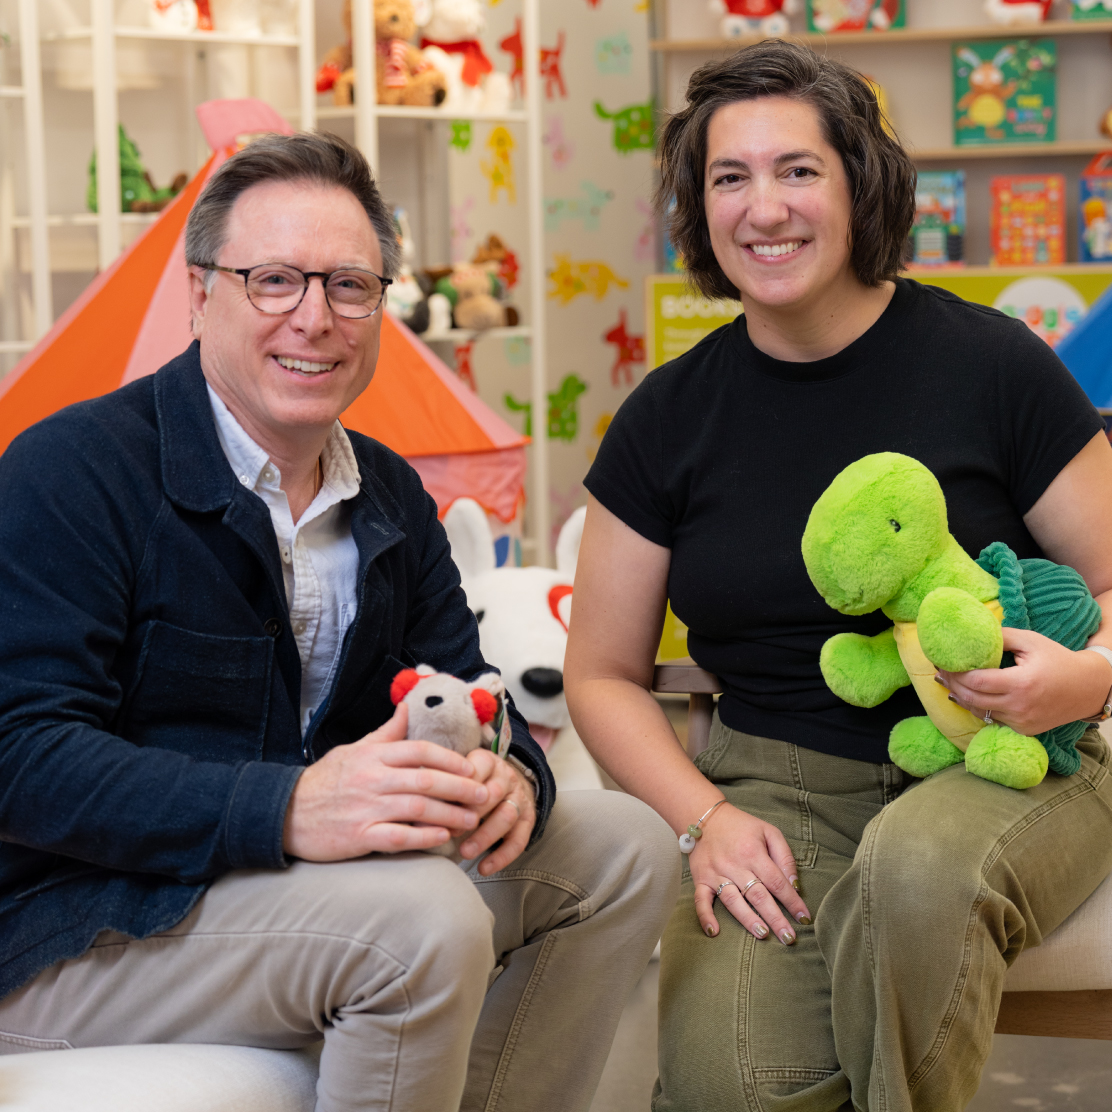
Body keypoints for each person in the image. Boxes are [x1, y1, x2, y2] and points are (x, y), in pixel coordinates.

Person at [0, 131, 678, 1112]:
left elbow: (470, 689)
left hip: (282, 895)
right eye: (274, 279)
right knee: (423, 915)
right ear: (201, 292)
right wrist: (285, 806)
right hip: (76, 924)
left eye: (349, 286)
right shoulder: (74, 470)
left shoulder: (388, 492)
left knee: (621, 844)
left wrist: (509, 776)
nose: (314, 318)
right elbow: (20, 754)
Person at [565, 40, 1112, 1112]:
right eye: (729, 177)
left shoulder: (994, 363)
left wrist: (1086, 678)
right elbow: (598, 674)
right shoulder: (665, 416)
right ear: (698, 207)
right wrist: (701, 817)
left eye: (796, 170)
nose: (761, 207)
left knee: (915, 870)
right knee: (735, 1087)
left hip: (1007, 762)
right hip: (772, 788)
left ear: (861, 186)